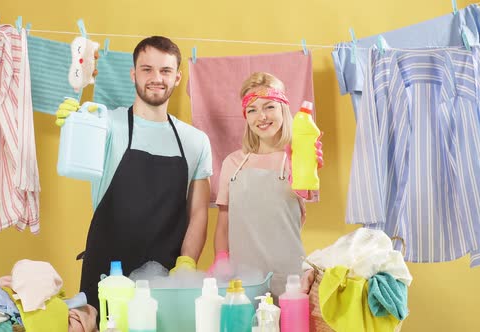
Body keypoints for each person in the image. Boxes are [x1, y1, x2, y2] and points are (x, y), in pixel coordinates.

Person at [56, 36, 212, 312]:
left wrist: (186, 263)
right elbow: (76, 155)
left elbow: (199, 211)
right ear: (133, 74)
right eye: (147, 69)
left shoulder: (195, 141)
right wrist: (76, 123)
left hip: (164, 280)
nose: (156, 78)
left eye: (165, 71)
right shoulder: (105, 122)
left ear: (177, 77)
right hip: (105, 275)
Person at [209, 72, 322, 297]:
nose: (261, 116)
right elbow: (223, 222)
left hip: (290, 281)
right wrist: (221, 261)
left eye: (269, 106)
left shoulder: (296, 158)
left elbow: (304, 202)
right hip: (243, 283)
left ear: (283, 108)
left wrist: (307, 165)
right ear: (246, 117)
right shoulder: (233, 163)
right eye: (252, 110)